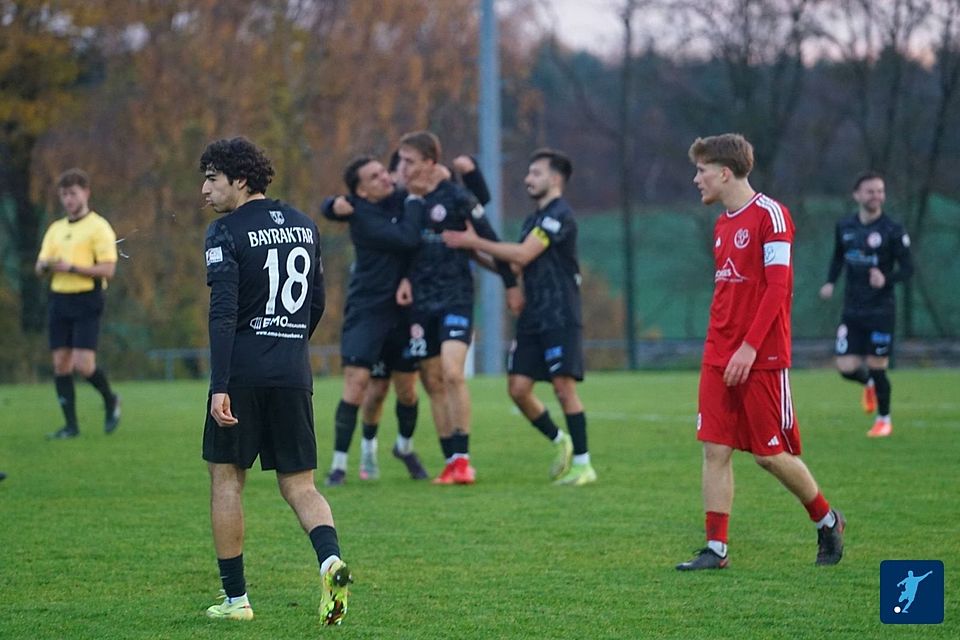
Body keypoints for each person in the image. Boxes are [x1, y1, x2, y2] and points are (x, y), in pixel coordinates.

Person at [199, 137, 352, 624]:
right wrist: (286, 345)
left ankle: (235, 600)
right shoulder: (306, 226)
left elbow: (222, 315)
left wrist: (219, 384)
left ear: (240, 180)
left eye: (211, 178)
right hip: (291, 372)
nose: (204, 190)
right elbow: (318, 303)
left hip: (242, 374)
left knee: (226, 479)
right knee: (301, 485)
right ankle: (330, 561)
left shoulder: (224, 232)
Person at [677, 133, 845, 571]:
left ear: (725, 172)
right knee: (714, 450)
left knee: (769, 455)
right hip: (719, 355)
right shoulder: (722, 224)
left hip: (761, 357)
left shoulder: (772, 216)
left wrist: (749, 348)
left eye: (701, 170)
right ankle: (716, 550)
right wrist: (721, 347)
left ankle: (827, 520)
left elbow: (778, 288)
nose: (696, 179)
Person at [442, 148, 594, 486]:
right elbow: (513, 264)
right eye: (529, 172)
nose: (528, 179)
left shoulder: (558, 216)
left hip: (559, 314)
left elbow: (523, 253)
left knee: (563, 388)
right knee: (518, 388)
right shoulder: (533, 220)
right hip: (531, 316)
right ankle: (561, 441)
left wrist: (475, 239)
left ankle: (584, 464)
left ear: (555, 179)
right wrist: (473, 251)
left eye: (536, 173)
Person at [396, 131, 519, 485]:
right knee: (432, 381)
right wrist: (404, 279)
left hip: (456, 297)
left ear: (430, 162)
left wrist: (511, 286)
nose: (402, 169)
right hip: (420, 301)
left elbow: (491, 240)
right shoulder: (407, 200)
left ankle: (464, 460)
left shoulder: (457, 196)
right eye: (401, 161)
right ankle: (450, 461)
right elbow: (403, 248)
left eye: (409, 162)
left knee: (452, 372)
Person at [320, 156, 430, 485]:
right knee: (359, 387)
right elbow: (408, 238)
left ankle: (405, 448)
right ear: (361, 192)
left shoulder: (398, 198)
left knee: (407, 392)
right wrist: (330, 205)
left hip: (404, 312)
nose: (384, 177)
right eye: (374, 176)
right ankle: (340, 464)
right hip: (367, 311)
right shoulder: (363, 215)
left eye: (384, 171)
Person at [818, 171, 913, 437]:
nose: (876, 196)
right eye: (871, 191)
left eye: (880, 191)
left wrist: (886, 278)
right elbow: (838, 257)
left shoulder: (892, 230)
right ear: (857, 195)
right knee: (846, 367)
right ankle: (869, 383)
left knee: (876, 364)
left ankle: (884, 419)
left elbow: (908, 269)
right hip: (852, 309)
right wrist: (829, 282)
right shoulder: (846, 226)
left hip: (881, 309)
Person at [35, 169, 121, 440]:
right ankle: (71, 426)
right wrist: (45, 266)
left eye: (72, 193)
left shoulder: (99, 227)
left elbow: (108, 270)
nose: (68, 200)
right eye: (63, 195)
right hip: (59, 299)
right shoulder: (56, 230)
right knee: (61, 363)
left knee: (83, 364)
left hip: (87, 299)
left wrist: (71, 267)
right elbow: (39, 267)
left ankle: (110, 399)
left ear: (86, 192)